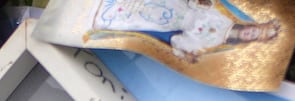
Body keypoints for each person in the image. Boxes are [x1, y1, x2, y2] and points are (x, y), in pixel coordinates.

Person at [90, 0, 282, 62]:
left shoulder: (214, 43)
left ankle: (109, 15)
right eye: (254, 31)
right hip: (180, 7)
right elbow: (205, 7)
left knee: (141, 16)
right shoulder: (224, 18)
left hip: (170, 23)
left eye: (254, 37)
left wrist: (187, 51)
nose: (250, 34)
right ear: (251, 26)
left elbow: (182, 40)